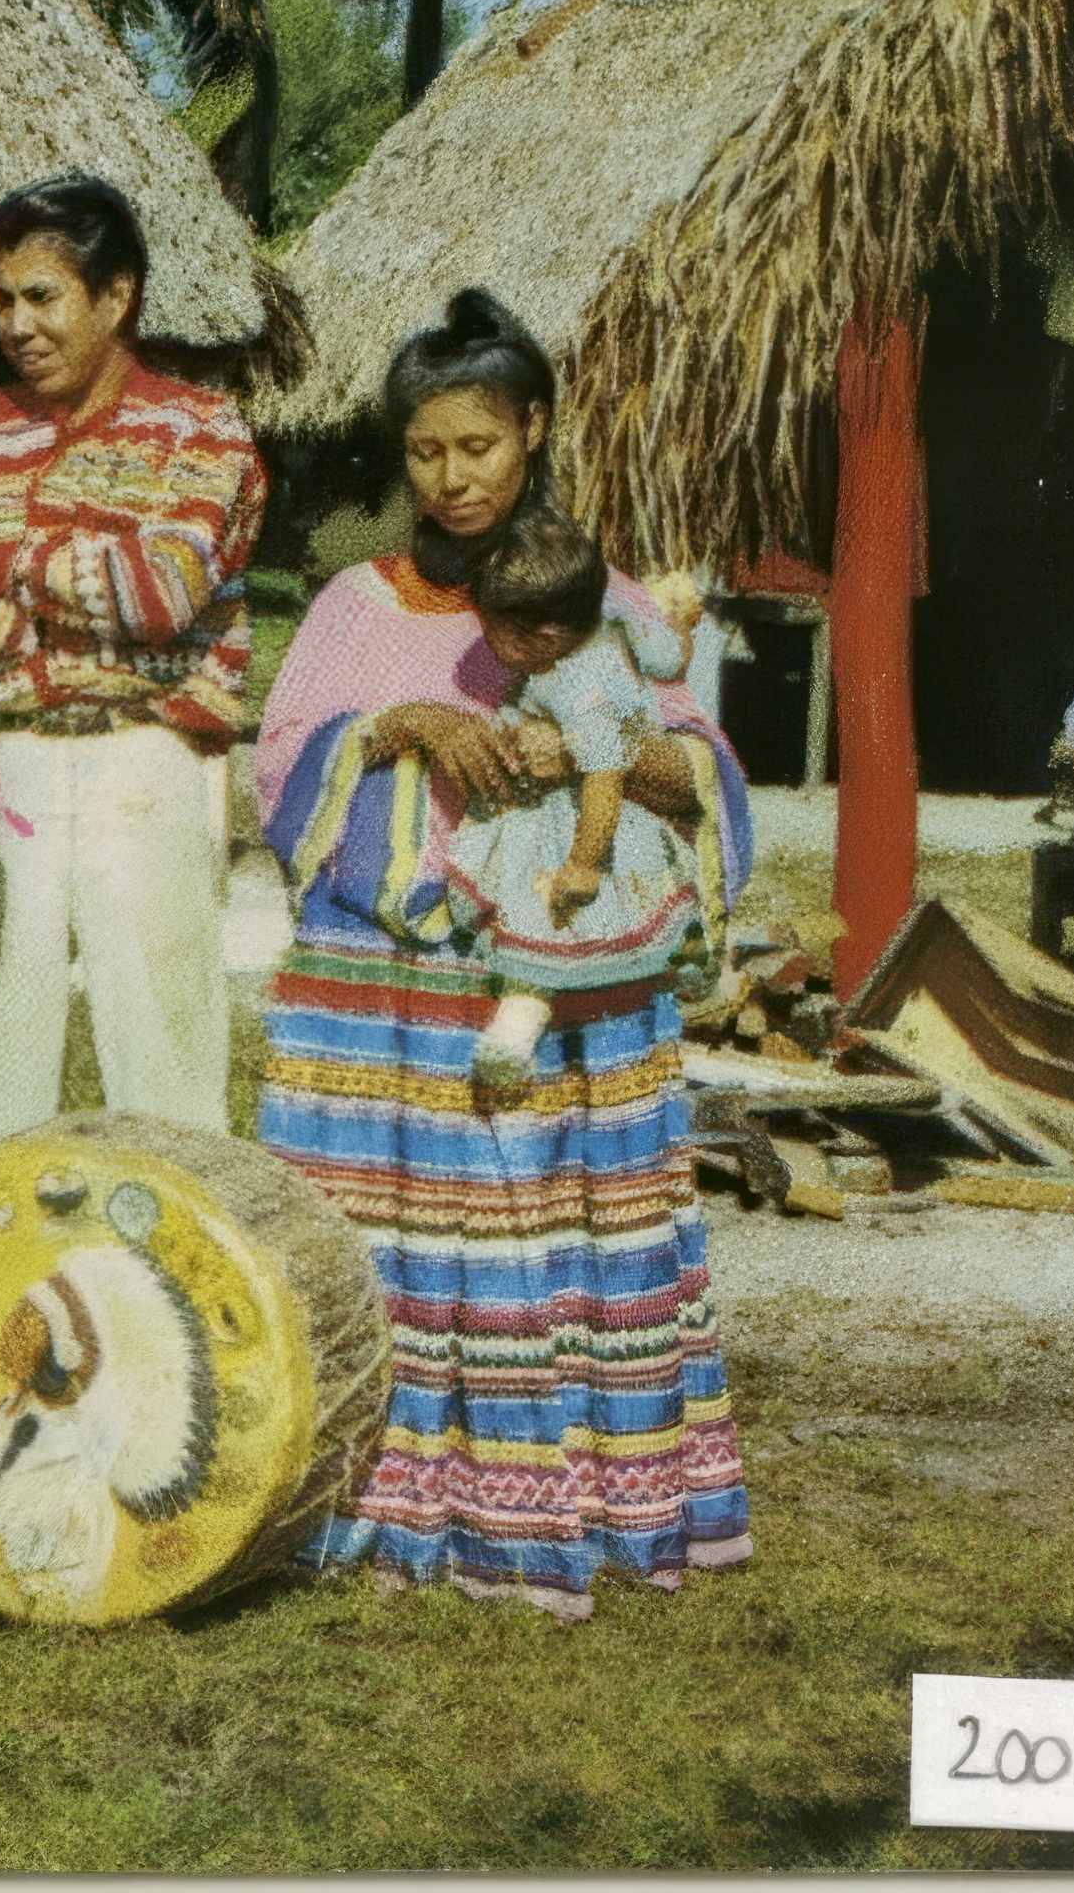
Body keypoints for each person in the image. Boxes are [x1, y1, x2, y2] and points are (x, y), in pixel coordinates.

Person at [254, 288, 753, 1620]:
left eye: (477, 447)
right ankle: (362, 1492)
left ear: (534, 428)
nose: (452, 477)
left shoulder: (612, 606)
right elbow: (281, 769)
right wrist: (408, 719)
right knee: (397, 1244)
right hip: (397, 988)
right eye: (425, 452)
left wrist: (608, 760)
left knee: (549, 1239)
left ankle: (561, 1499)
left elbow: (701, 778)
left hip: (562, 987)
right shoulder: (360, 605)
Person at [0, 174, 269, 1159]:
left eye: (44, 296)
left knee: (164, 1059)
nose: (17, 323)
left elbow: (159, 596)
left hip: (146, 758)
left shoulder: (202, 429)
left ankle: (178, 1288)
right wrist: (56, 573)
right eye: (4, 296)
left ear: (117, 298)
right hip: (4, 760)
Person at [452, 511, 720, 1092]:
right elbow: (669, 659)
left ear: (540, 638)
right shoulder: (618, 619)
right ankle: (687, 950)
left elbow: (603, 776)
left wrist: (583, 862)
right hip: (622, 820)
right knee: (649, 910)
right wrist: (684, 628)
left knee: (542, 918)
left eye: (491, 631)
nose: (485, 644)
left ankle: (516, 1030)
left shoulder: (578, 688)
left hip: (580, 821)